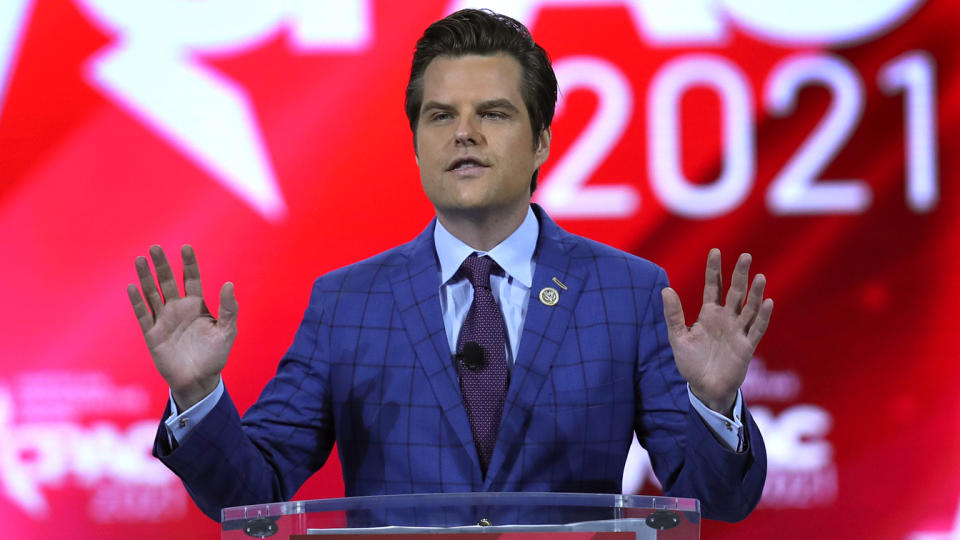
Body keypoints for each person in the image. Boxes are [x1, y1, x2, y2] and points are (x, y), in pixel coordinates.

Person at [128, 9, 772, 524]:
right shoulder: (346, 303)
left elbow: (717, 501)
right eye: (441, 117)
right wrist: (197, 395)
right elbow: (250, 493)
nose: (464, 134)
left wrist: (714, 402)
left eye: (492, 113)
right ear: (416, 145)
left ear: (542, 138)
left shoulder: (625, 293)